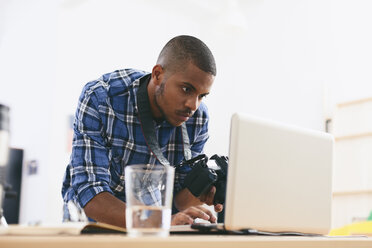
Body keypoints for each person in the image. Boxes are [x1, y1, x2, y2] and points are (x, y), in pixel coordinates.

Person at [61, 35, 222, 227]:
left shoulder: (198, 118)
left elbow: (177, 201)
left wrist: (200, 192)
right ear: (157, 74)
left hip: (150, 228)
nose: (193, 105)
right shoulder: (101, 98)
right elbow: (91, 194)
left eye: (202, 96)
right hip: (91, 226)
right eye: (186, 89)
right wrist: (161, 223)